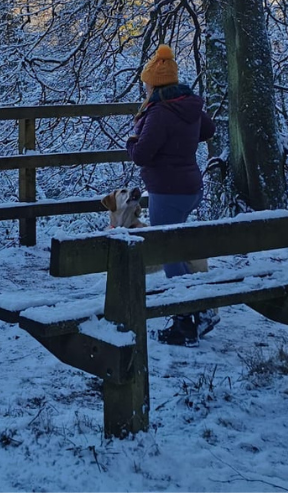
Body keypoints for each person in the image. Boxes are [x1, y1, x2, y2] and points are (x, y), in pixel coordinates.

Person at [126, 45, 217, 347]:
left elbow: (141, 154)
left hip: (168, 191)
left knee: (167, 254)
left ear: (154, 83)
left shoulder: (160, 113)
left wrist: (131, 141)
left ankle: (188, 319)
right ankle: (199, 311)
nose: (145, 87)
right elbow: (208, 129)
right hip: (191, 188)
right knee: (179, 250)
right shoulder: (188, 104)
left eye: (147, 83)